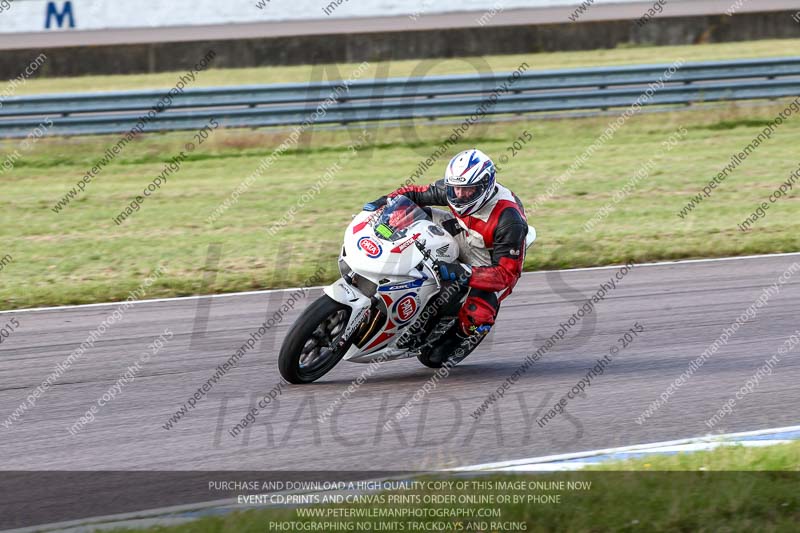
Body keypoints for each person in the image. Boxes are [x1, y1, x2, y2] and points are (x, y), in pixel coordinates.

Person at [364, 148, 529, 365]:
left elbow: (506, 276)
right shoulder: (453, 189)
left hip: (488, 259)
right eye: (455, 188)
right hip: (463, 230)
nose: (459, 195)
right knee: (408, 216)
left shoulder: (509, 221)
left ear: (485, 186)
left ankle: (463, 335)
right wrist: (384, 201)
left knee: (477, 315)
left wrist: (463, 272)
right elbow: (414, 193)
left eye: (468, 190)